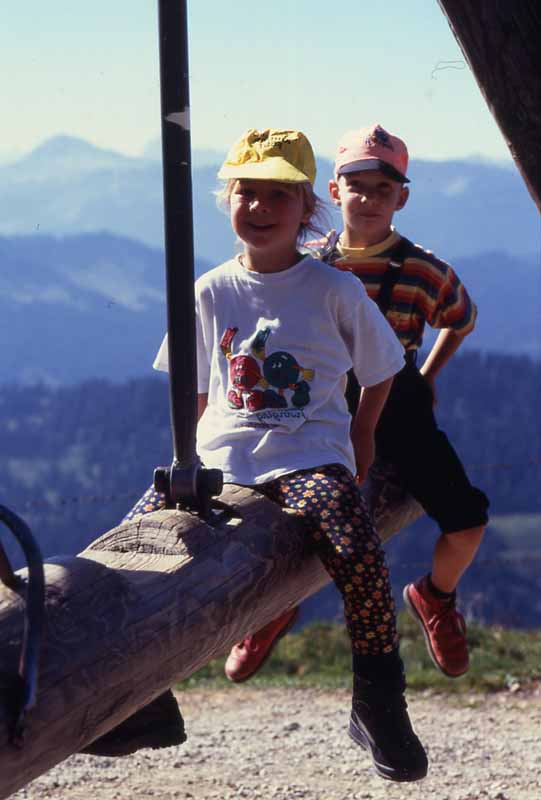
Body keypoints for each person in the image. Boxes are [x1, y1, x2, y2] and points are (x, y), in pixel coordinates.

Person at [97, 128, 428, 782]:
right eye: (247, 192)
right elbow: (190, 384)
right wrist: (183, 458)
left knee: (355, 548)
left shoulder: (332, 290)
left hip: (307, 457)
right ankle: (137, 699)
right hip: (220, 456)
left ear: (307, 207)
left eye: (279, 194)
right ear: (229, 200)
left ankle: (377, 701)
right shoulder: (211, 289)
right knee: (128, 547)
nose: (260, 207)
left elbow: (382, 367)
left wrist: (359, 436)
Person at [225, 123, 489, 685]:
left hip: (401, 411)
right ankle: (273, 613)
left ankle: (435, 597)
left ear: (402, 198)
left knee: (467, 522)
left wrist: (425, 372)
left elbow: (460, 318)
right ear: (336, 193)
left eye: (384, 190)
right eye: (357, 186)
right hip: (322, 405)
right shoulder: (307, 262)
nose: (369, 200)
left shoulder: (423, 269)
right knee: (311, 523)